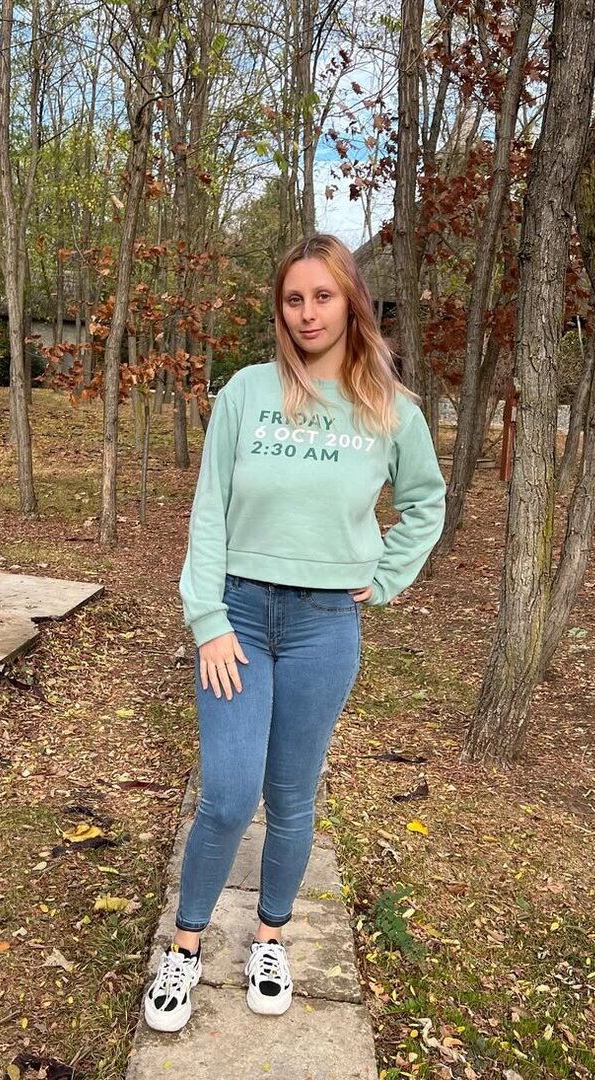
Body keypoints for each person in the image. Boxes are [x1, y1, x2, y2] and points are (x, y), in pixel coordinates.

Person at [143, 234, 446, 1032]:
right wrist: (207, 619)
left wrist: (386, 576)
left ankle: (270, 937)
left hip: (323, 625)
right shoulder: (246, 392)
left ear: (350, 302)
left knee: (289, 796)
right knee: (227, 793)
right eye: (293, 299)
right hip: (238, 619)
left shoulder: (391, 409)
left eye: (322, 296)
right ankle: (185, 945)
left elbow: (425, 502)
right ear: (279, 309)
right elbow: (209, 509)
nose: (307, 313)